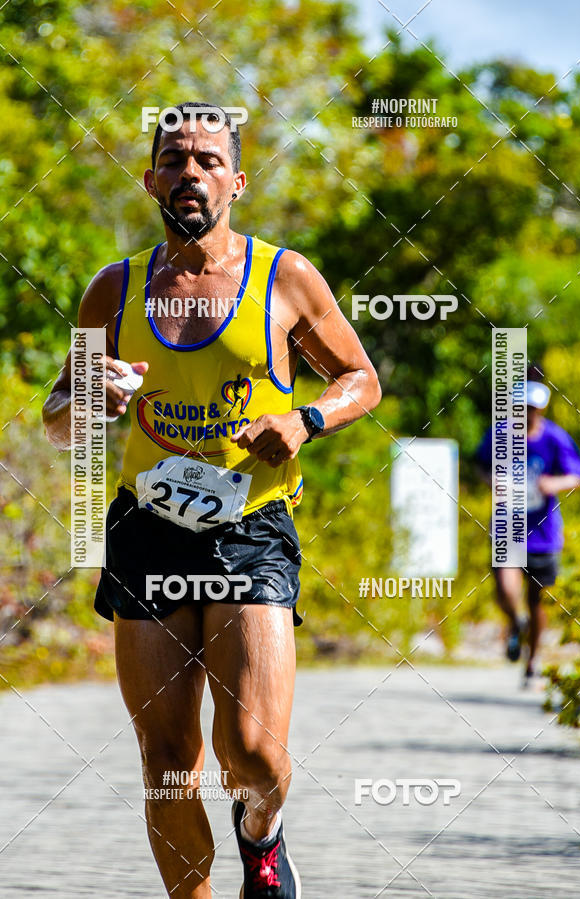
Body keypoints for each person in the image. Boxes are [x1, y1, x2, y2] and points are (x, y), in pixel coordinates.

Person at [43, 102, 381, 898]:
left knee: (253, 754)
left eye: (207, 160)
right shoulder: (112, 290)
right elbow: (58, 419)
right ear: (150, 179)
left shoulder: (285, 278)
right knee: (166, 763)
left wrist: (304, 420)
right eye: (173, 159)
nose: (189, 173)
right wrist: (86, 398)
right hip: (146, 530)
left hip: (251, 527)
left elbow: (360, 378)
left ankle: (262, 836)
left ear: (237, 180)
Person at [476, 365, 580, 684]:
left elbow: (577, 474)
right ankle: (516, 621)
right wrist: (493, 481)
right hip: (507, 529)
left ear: (541, 409)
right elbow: (481, 466)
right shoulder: (499, 434)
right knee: (505, 589)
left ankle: (533, 660)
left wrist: (554, 483)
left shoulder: (555, 438)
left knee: (538, 600)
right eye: (521, 408)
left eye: (532, 408)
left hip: (543, 533)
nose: (526, 414)